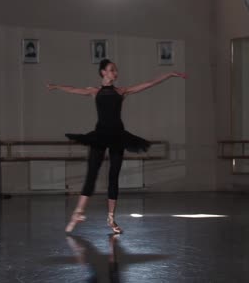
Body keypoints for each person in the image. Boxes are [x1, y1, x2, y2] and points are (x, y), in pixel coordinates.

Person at [47, 59, 186, 234]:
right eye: (112, 70)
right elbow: (75, 89)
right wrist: (58, 86)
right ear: (103, 72)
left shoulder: (121, 91)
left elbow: (148, 84)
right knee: (92, 173)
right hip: (100, 135)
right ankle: (78, 212)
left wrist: (169, 74)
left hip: (118, 136)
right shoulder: (95, 91)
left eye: (116, 70)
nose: (115, 73)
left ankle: (111, 219)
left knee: (114, 176)